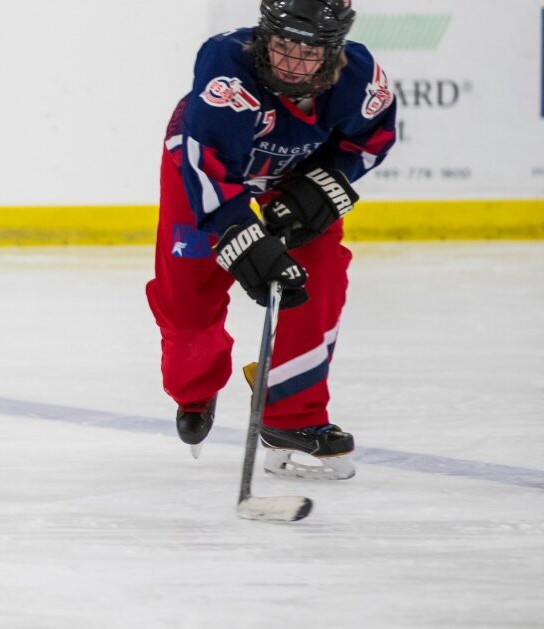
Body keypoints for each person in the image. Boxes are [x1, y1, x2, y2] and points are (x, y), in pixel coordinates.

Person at [147, 0, 396, 479]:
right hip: (206, 174)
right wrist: (240, 236)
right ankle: (194, 388)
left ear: (336, 49)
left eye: (309, 52)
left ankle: (293, 415)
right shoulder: (227, 66)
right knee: (187, 303)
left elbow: (372, 140)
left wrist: (325, 185)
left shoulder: (362, 79)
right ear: (265, 35)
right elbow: (204, 161)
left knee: (319, 277)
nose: (292, 64)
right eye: (283, 45)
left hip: (295, 176)